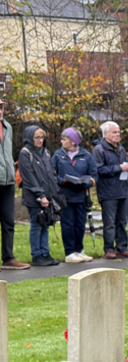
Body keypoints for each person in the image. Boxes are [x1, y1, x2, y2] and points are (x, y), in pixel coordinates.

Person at [93, 120, 128, 259]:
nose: (117, 135)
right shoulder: (99, 150)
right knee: (110, 223)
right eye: (114, 132)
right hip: (108, 191)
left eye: (118, 132)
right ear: (105, 134)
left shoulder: (121, 148)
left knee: (122, 222)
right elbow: (98, 169)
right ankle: (109, 249)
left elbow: (121, 165)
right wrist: (119, 168)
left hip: (122, 189)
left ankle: (122, 247)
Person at [50, 127, 95, 262]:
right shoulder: (58, 155)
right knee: (68, 224)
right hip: (65, 196)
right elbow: (52, 174)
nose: (62, 141)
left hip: (81, 195)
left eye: (65, 139)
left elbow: (94, 175)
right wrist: (62, 181)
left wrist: (85, 182)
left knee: (80, 224)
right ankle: (69, 252)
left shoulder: (86, 156)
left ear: (73, 141)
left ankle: (79, 250)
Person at [19, 126, 61, 266]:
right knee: (36, 225)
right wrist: (41, 195)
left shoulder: (46, 153)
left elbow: (51, 174)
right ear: (30, 138)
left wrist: (54, 194)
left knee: (46, 224)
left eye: (42, 137)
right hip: (34, 197)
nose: (40, 140)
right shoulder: (25, 153)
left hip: (48, 196)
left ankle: (45, 253)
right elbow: (29, 177)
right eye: (37, 137)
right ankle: (36, 255)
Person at [0, 96, 28, 269]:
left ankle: (8, 257)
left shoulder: (7, 127)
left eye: (2, 107)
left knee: (9, 221)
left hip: (8, 181)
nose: (1, 111)